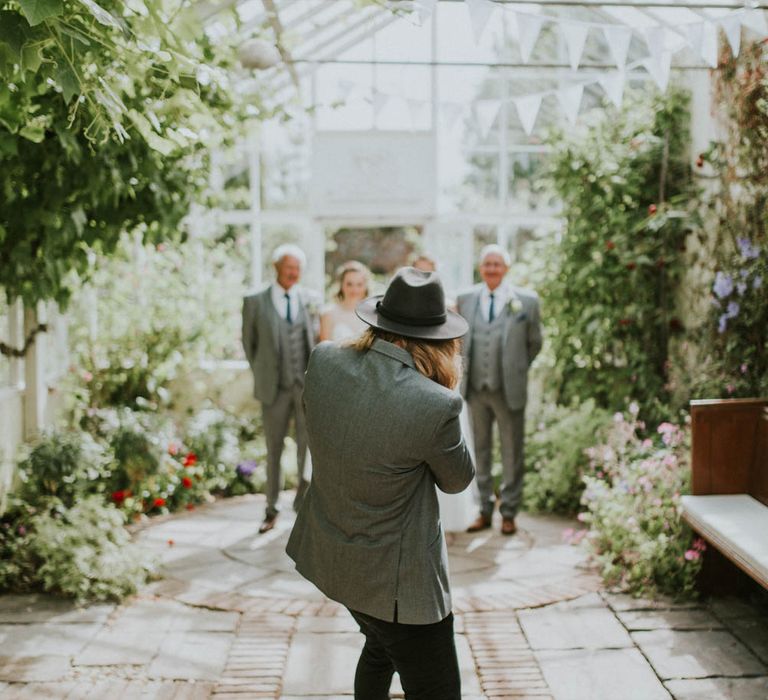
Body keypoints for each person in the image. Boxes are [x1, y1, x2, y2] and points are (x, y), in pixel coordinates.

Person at [287, 267, 475, 700]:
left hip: (336, 561)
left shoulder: (325, 360)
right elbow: (458, 480)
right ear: (439, 339)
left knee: (379, 649)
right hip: (401, 588)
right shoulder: (436, 403)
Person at [457, 244, 543, 536]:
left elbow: (535, 343)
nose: (492, 269)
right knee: (479, 452)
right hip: (475, 389)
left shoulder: (527, 301)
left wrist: (516, 368)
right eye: (487, 264)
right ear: (480, 268)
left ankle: (509, 512)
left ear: (506, 268)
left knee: (511, 452)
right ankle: (483, 510)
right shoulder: (465, 299)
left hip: (509, 389)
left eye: (497, 264)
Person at [241, 244, 322, 533]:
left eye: (298, 268)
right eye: (289, 267)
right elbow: (249, 344)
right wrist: (264, 374)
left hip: (304, 389)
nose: (294, 273)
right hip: (272, 390)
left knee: (307, 450)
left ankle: (302, 506)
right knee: (273, 450)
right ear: (276, 268)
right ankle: (271, 509)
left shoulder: (309, 299)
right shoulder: (254, 302)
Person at [411, 252, 475, 533]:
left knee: (447, 450)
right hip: (414, 388)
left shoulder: (449, 308)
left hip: (443, 384)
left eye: (428, 273)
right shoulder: (403, 311)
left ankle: (449, 519)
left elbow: (454, 354)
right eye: (418, 273)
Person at [319, 260, 371, 342]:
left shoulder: (371, 314)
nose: (354, 290)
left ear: (365, 286)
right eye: (349, 284)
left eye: (359, 284)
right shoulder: (328, 313)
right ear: (341, 284)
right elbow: (324, 350)